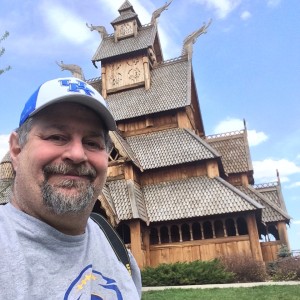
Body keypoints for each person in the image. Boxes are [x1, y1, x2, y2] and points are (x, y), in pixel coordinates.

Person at [0, 77, 142, 299]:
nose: (77, 154)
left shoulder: (118, 253)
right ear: (17, 150)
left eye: (92, 143)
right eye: (57, 137)